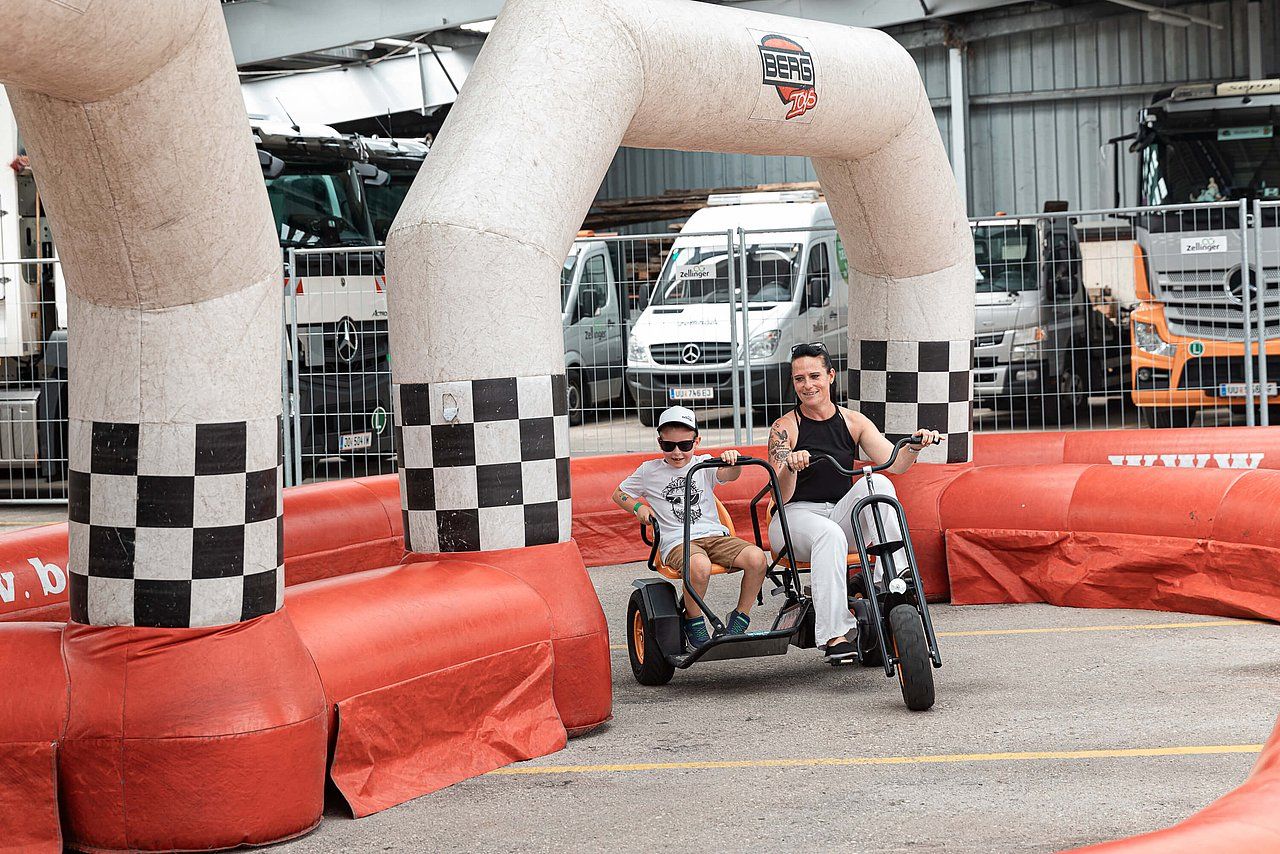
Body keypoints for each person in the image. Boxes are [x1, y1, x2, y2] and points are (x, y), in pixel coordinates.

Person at [767, 343, 942, 663]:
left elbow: (894, 463)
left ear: (831, 376)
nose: (808, 385)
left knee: (879, 483)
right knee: (828, 534)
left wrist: (914, 446)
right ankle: (834, 634)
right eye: (799, 379)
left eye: (815, 376)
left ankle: (895, 582)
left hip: (836, 514)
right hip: (793, 518)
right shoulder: (784, 427)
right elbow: (780, 493)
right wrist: (790, 465)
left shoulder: (853, 421)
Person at [613, 405, 770, 649]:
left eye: (685, 446)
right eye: (669, 446)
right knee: (699, 566)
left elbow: (729, 475)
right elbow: (619, 493)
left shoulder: (704, 464)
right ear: (660, 442)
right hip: (677, 540)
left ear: (697, 441)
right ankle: (693, 620)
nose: (677, 453)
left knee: (757, 558)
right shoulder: (649, 471)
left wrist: (733, 461)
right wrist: (638, 509)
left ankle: (740, 616)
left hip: (714, 535)